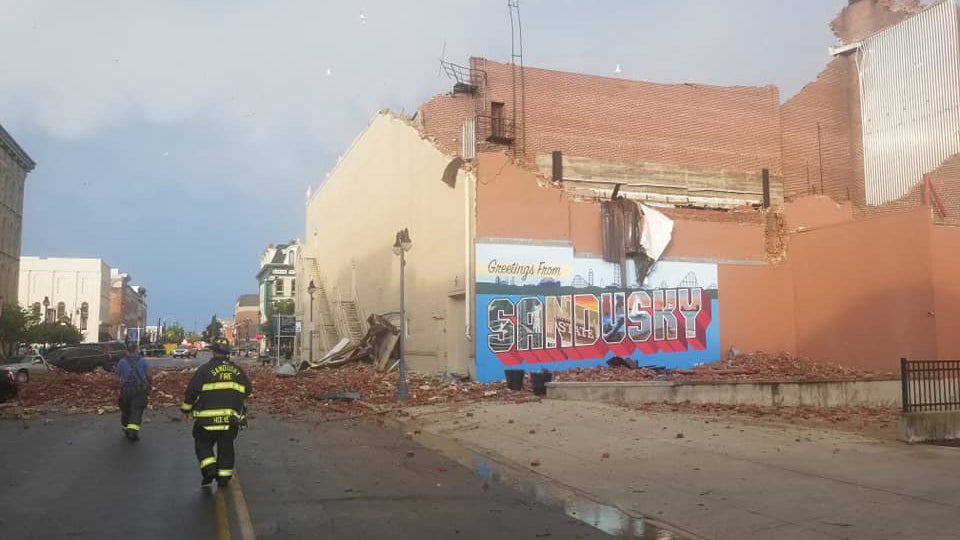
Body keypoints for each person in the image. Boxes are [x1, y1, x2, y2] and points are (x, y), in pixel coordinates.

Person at [181, 337, 252, 487]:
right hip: (229, 420)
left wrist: (185, 409)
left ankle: (209, 468)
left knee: (202, 443)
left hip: (207, 421)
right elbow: (247, 390)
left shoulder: (204, 370)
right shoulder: (238, 371)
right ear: (228, 353)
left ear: (213, 352)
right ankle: (224, 478)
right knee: (226, 447)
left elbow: (192, 391)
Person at [115, 342, 151, 441]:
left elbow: (117, 377)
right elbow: (149, 375)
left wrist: (116, 388)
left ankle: (126, 429)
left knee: (126, 411)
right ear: (137, 350)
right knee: (137, 411)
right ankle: (133, 432)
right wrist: (149, 385)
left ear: (128, 350)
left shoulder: (122, 362)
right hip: (139, 391)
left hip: (125, 391)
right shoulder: (143, 361)